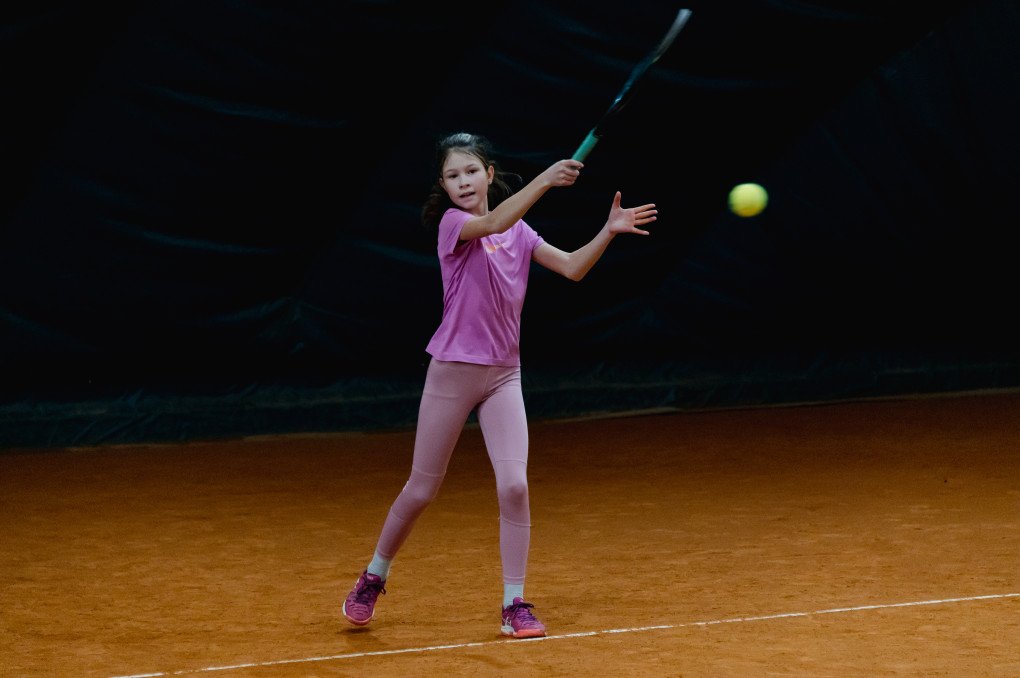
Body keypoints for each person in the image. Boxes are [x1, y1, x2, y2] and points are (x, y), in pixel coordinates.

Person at [342, 131, 657, 638]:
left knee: (514, 485)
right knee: (422, 489)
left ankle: (515, 605)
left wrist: (608, 231)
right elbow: (493, 221)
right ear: (443, 186)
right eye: (452, 175)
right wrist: (548, 181)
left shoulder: (522, 232)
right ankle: (374, 575)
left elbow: (573, 269)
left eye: (471, 171)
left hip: (503, 376)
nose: (462, 181)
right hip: (452, 371)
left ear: (489, 173)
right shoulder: (454, 225)